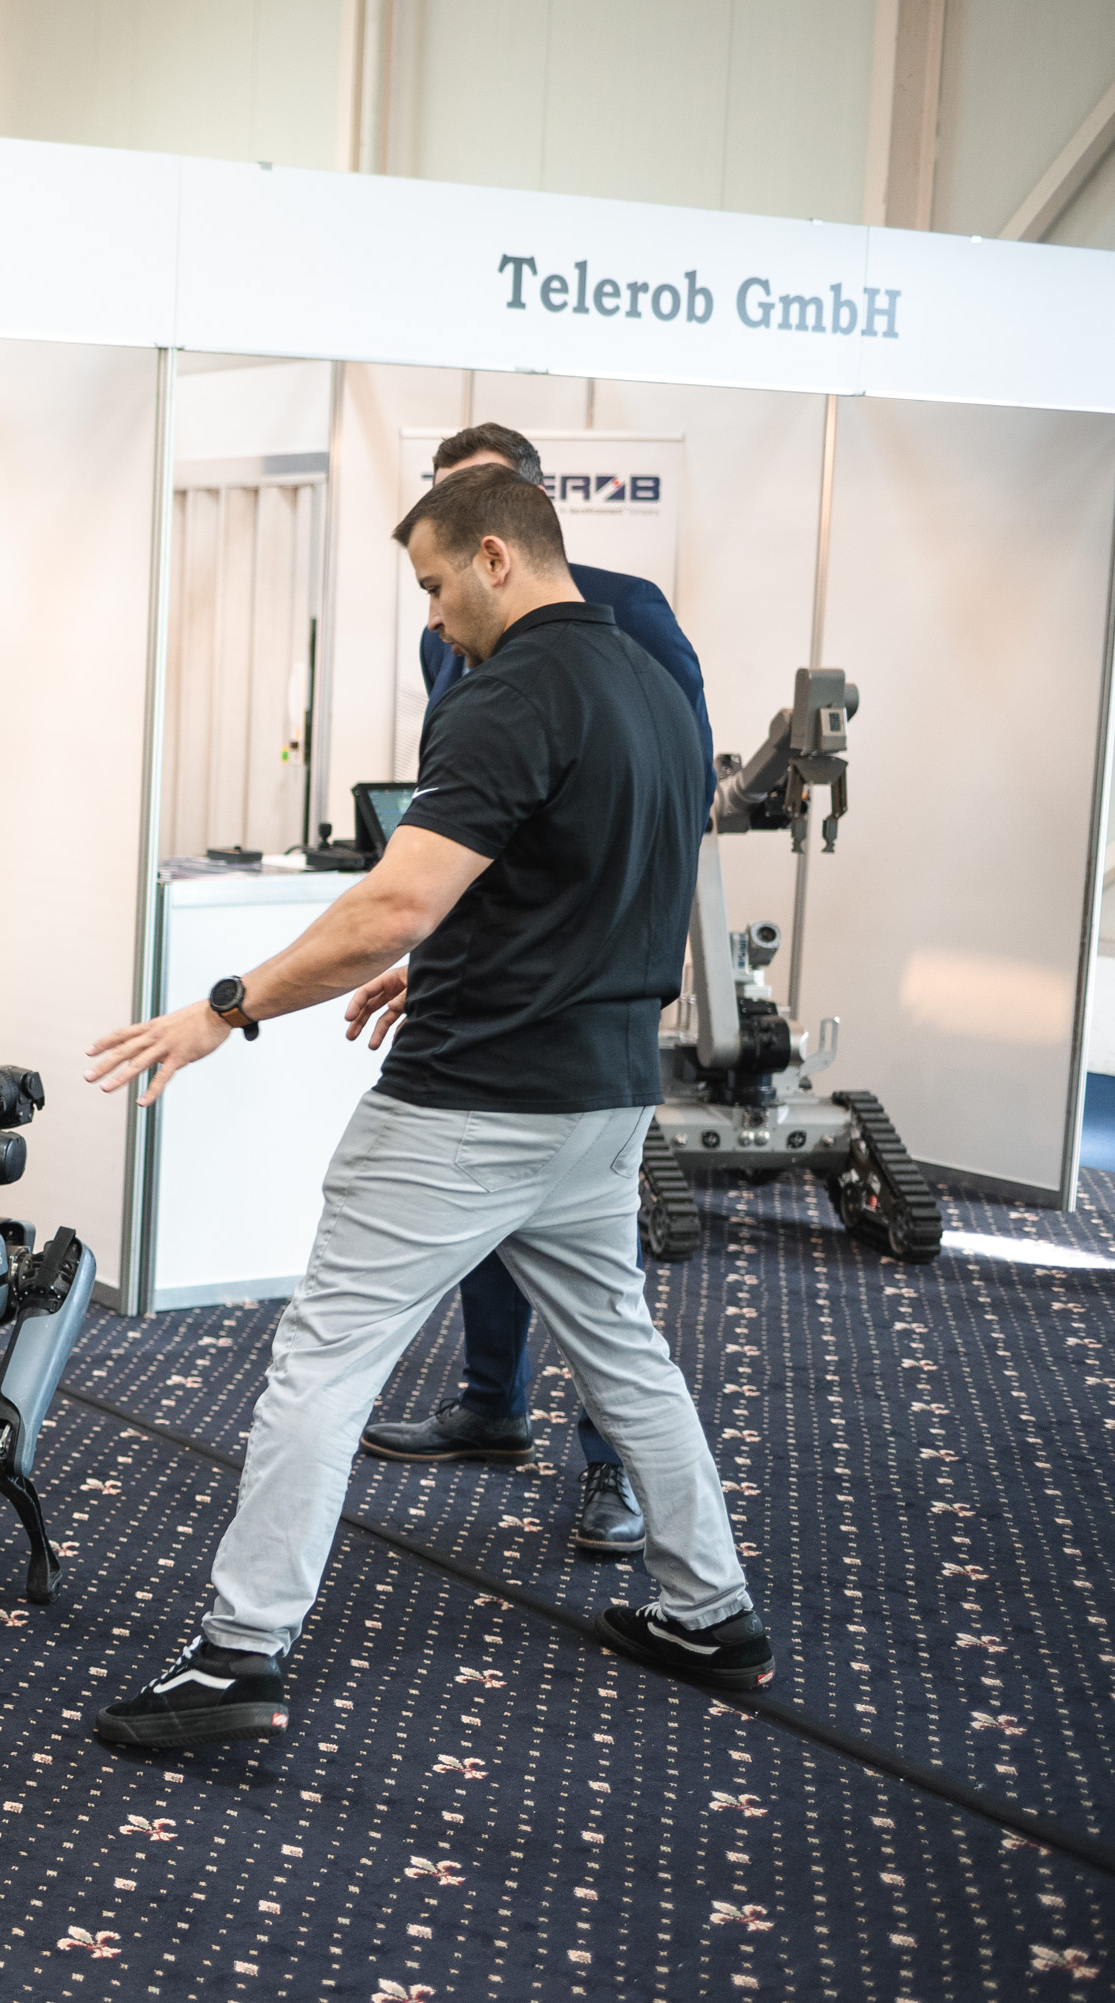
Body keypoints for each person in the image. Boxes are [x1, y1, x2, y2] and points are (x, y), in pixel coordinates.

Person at [81, 466, 769, 1751]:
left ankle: (239, 1651)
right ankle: (711, 1607)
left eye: (438, 585)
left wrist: (224, 1007)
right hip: (606, 1095)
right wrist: (456, 958)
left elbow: (391, 903)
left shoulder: (506, 695)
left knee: (323, 1362)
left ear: (497, 556)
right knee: (622, 1350)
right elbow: (594, 881)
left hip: (470, 1106)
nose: (436, 619)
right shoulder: (654, 687)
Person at [357, 421, 716, 1560]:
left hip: (590, 995)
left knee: (602, 1288)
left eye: (471, 505)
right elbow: (467, 807)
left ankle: (612, 1469)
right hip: (486, 986)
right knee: (501, 1223)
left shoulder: (627, 613)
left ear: (515, 519)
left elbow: (670, 795)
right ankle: (491, 1402)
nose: (445, 547)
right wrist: (446, 953)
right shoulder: (448, 633)